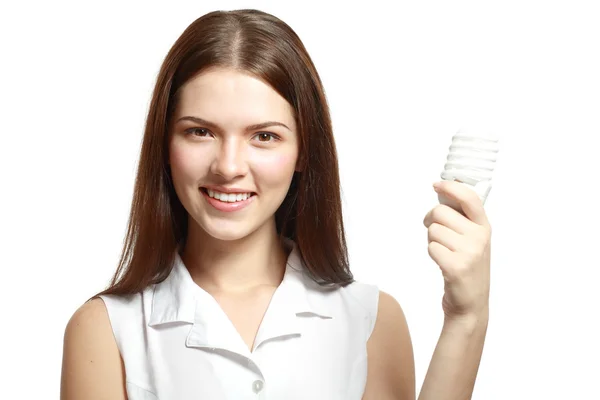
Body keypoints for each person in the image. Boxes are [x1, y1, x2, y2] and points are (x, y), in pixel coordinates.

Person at [60, 9, 492, 400]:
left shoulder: (371, 322)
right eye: (200, 132)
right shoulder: (105, 332)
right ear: (164, 143)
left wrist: (465, 317)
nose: (228, 166)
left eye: (264, 136)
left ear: (304, 150)